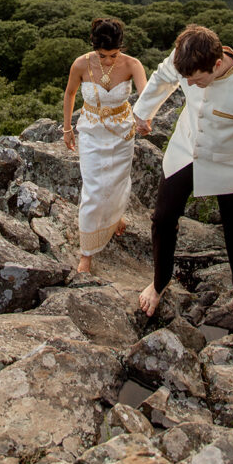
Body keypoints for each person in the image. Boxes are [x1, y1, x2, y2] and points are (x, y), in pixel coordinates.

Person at [133, 24, 233, 318]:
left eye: (196, 80)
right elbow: (164, 77)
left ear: (217, 64)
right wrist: (143, 113)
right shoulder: (187, 56)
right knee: (163, 219)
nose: (188, 85)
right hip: (185, 149)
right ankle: (159, 282)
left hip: (230, 163)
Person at [63, 17, 147, 274]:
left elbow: (146, 94)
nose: (108, 61)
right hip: (91, 130)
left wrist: (146, 117)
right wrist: (67, 127)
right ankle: (86, 253)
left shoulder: (133, 64)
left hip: (122, 131)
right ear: (93, 47)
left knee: (117, 181)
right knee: (94, 187)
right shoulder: (80, 63)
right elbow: (70, 94)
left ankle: (114, 216)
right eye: (102, 55)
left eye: (113, 54)